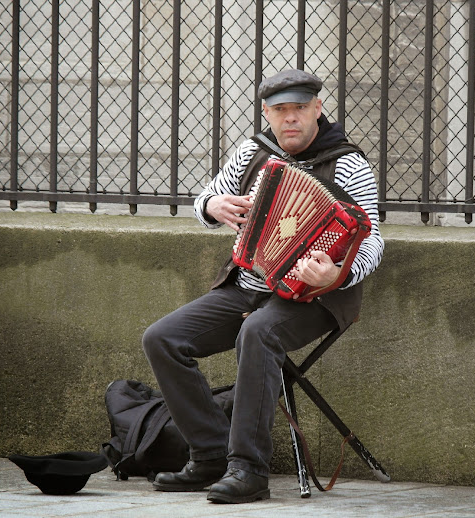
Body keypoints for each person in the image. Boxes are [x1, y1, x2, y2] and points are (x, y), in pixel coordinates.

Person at [142, 69, 384, 504]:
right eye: (280, 111)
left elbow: (373, 241)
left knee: (260, 331)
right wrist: (212, 205)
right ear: (267, 113)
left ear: (317, 109)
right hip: (249, 285)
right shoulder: (253, 151)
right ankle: (211, 454)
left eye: (299, 109)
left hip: (314, 297)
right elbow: (205, 199)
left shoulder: (347, 163)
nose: (290, 119)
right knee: (162, 338)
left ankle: (248, 470)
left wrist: (337, 275)